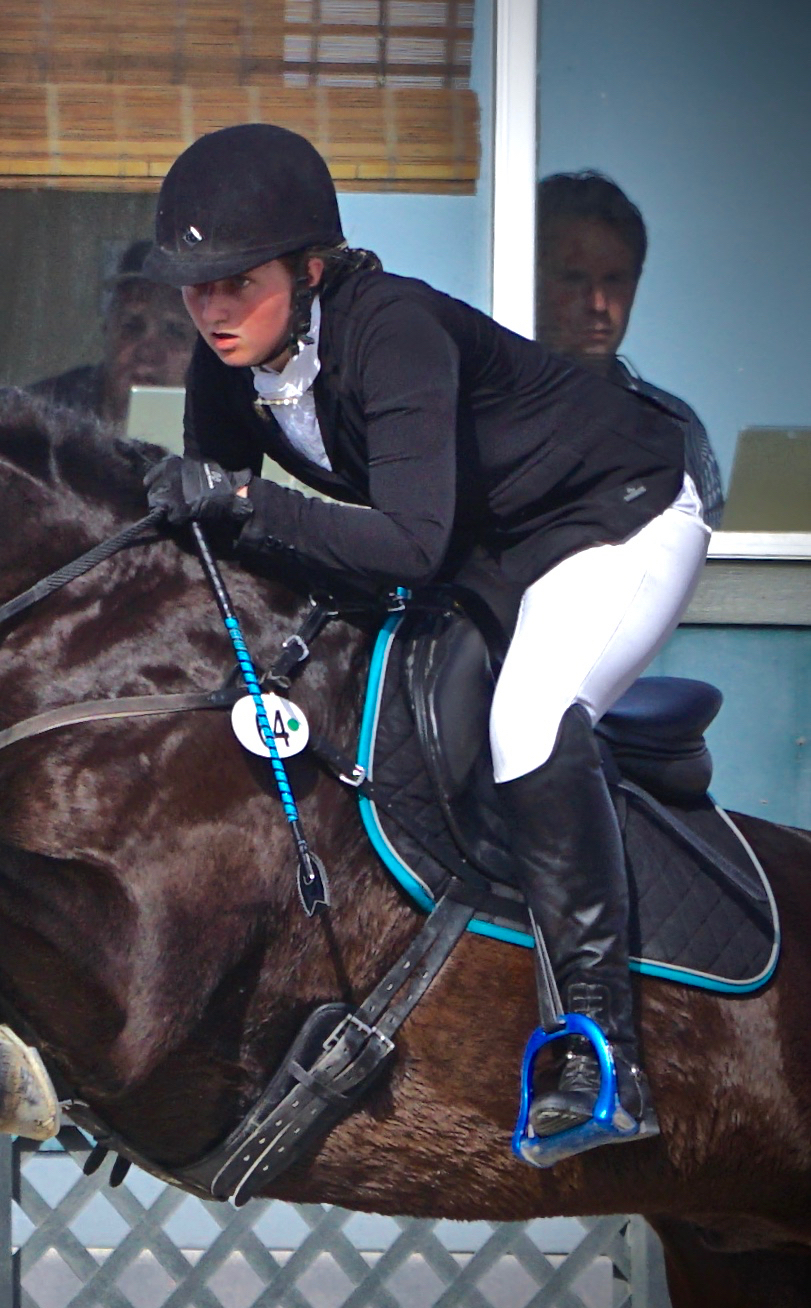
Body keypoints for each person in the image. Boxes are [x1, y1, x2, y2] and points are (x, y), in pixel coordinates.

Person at [141, 124, 711, 1159]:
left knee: (528, 713)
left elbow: (401, 541)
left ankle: (600, 1050)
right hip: (492, 543)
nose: (212, 309)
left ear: (310, 270)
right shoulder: (225, 366)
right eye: (195, 285)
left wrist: (235, 498)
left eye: (237, 282)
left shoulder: (392, 328)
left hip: (624, 509)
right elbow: (235, 554)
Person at [538, 171, 725, 524]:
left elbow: (713, 553)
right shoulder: (490, 409)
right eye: (574, 278)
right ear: (532, 279)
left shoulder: (673, 425)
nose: (597, 303)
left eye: (614, 280)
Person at [31, 241, 199, 426]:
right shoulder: (40, 415)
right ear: (107, 330)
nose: (148, 353)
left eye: (175, 332)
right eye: (132, 327)